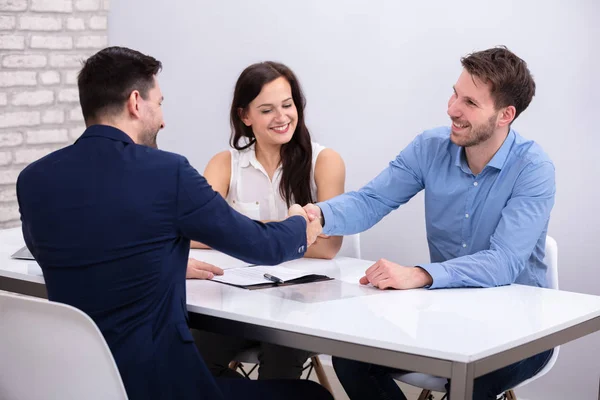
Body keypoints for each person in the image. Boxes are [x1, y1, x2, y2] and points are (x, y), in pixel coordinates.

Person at [16, 46, 331, 400]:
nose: (163, 119)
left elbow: (78, 258)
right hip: (164, 388)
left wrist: (161, 263)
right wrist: (295, 223)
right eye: (159, 102)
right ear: (136, 102)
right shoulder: (167, 172)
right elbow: (265, 246)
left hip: (81, 385)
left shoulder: (33, 180)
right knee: (310, 395)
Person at [301, 46, 555, 400]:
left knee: (475, 377)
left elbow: (504, 262)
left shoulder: (533, 169)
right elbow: (373, 200)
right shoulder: (430, 147)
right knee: (352, 358)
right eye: (455, 94)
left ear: (505, 115)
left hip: (521, 330)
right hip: (444, 316)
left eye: (470, 102)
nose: (452, 109)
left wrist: (420, 274)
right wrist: (319, 215)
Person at [189, 61, 346, 380]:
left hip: (300, 306)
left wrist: (236, 233)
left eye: (288, 105)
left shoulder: (325, 161)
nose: (282, 117)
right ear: (244, 116)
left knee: (278, 373)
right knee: (190, 361)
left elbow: (328, 246)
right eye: (267, 110)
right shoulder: (225, 163)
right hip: (236, 302)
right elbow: (194, 229)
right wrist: (290, 232)